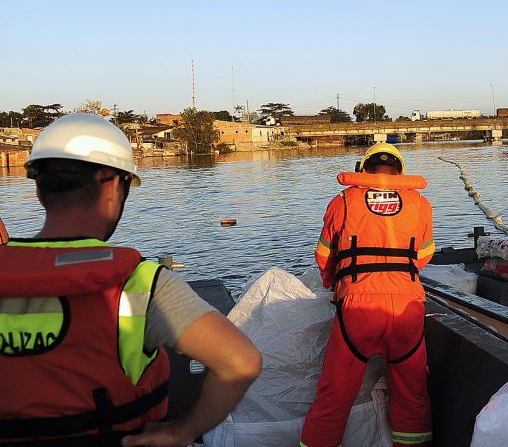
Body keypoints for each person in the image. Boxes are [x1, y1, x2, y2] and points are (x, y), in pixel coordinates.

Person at [0, 113, 262, 446]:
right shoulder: (139, 282)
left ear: (39, 189)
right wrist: (181, 432)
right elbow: (241, 363)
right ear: (112, 186)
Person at [301, 142, 434, 447]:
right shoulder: (420, 203)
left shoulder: (343, 201)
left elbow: (324, 256)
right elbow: (424, 255)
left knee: (335, 394)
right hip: (407, 307)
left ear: (363, 168)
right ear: (400, 171)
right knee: (412, 393)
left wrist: (334, 285)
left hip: (357, 308)